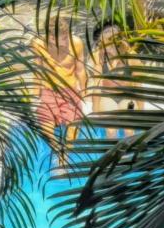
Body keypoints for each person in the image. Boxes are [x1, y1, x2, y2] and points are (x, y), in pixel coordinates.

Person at [32, 19, 88, 163]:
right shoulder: (38, 44)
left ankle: (64, 157)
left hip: (70, 90)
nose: (67, 39)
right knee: (45, 126)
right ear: (50, 38)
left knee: (74, 125)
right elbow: (37, 71)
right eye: (63, 37)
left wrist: (85, 93)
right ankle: (57, 148)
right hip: (48, 89)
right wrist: (34, 96)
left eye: (67, 34)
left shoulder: (76, 43)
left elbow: (81, 70)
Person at [90, 23, 139, 139]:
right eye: (102, 45)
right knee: (111, 131)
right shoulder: (99, 57)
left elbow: (138, 84)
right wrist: (95, 109)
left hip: (127, 97)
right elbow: (97, 86)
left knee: (129, 130)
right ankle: (113, 155)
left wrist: (141, 109)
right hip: (108, 96)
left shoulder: (130, 57)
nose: (102, 48)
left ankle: (129, 155)